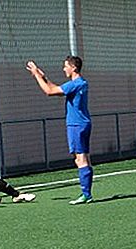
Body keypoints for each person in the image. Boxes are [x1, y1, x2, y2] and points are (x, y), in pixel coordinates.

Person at [26, 56, 94, 204]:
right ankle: (87, 193)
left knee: (80, 159)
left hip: (76, 125)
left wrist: (37, 75)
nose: (64, 69)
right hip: (84, 123)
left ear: (73, 68)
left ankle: (86, 194)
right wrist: (44, 77)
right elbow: (55, 88)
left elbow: (49, 92)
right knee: (85, 158)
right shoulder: (81, 83)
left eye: (66, 66)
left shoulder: (75, 84)